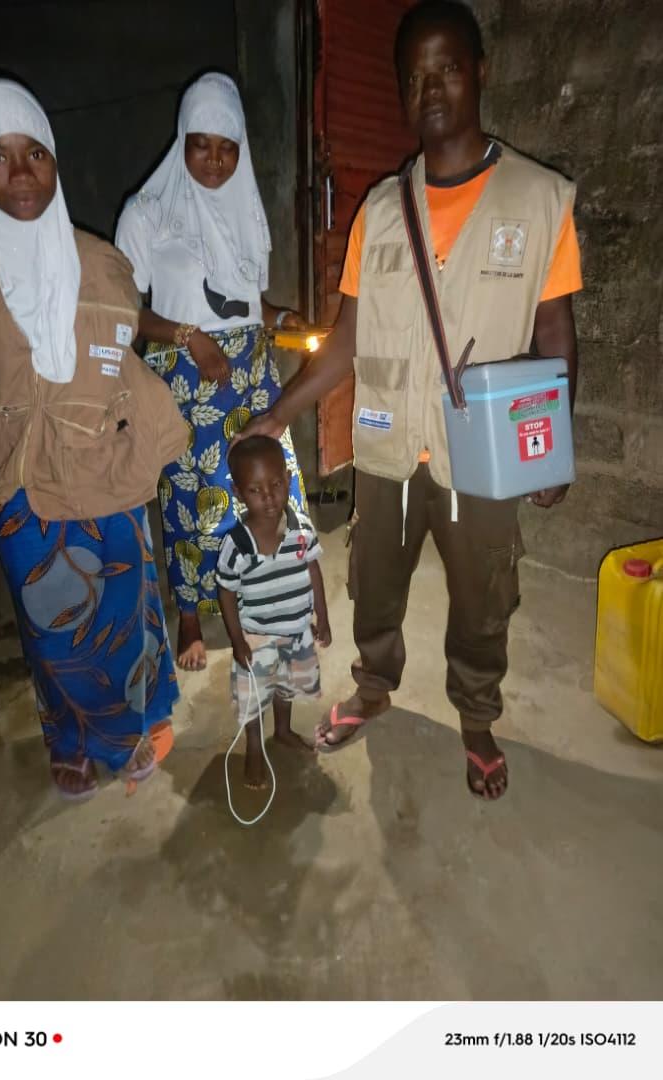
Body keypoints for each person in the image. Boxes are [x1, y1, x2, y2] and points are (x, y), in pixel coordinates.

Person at [240, 0, 582, 799]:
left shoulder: (537, 201)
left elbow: (558, 335)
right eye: (414, 76)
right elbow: (347, 338)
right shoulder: (381, 211)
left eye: (448, 68)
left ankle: (476, 718)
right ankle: (372, 686)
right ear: (401, 91)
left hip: (484, 455)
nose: (431, 88)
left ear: (481, 73)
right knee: (375, 586)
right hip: (390, 448)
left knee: (483, 599)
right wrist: (277, 416)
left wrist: (552, 443)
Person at [0, 78, 189, 801]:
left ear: (55, 159)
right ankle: (74, 737)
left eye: (35, 151)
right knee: (53, 625)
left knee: (125, 609)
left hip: (106, 466)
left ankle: (133, 720)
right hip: (20, 481)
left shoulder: (101, 265)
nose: (22, 170)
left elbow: (121, 355)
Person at [115, 72, 307, 673]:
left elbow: (246, 300)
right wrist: (187, 336)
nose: (216, 161)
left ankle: (271, 594)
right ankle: (193, 615)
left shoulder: (245, 208)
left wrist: (279, 317)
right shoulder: (146, 213)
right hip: (183, 377)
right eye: (203, 144)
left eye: (229, 147)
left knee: (270, 486)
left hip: (250, 373)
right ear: (183, 140)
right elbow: (121, 307)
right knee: (189, 501)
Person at [216, 436, 331, 789]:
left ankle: (282, 730)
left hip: (297, 630)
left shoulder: (301, 530)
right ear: (238, 492)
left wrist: (322, 617)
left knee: (287, 686)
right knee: (255, 694)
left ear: (288, 479)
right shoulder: (236, 544)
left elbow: (313, 570)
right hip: (257, 636)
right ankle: (254, 746)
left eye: (277, 484)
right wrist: (237, 640)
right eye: (255, 490)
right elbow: (226, 591)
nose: (268, 496)